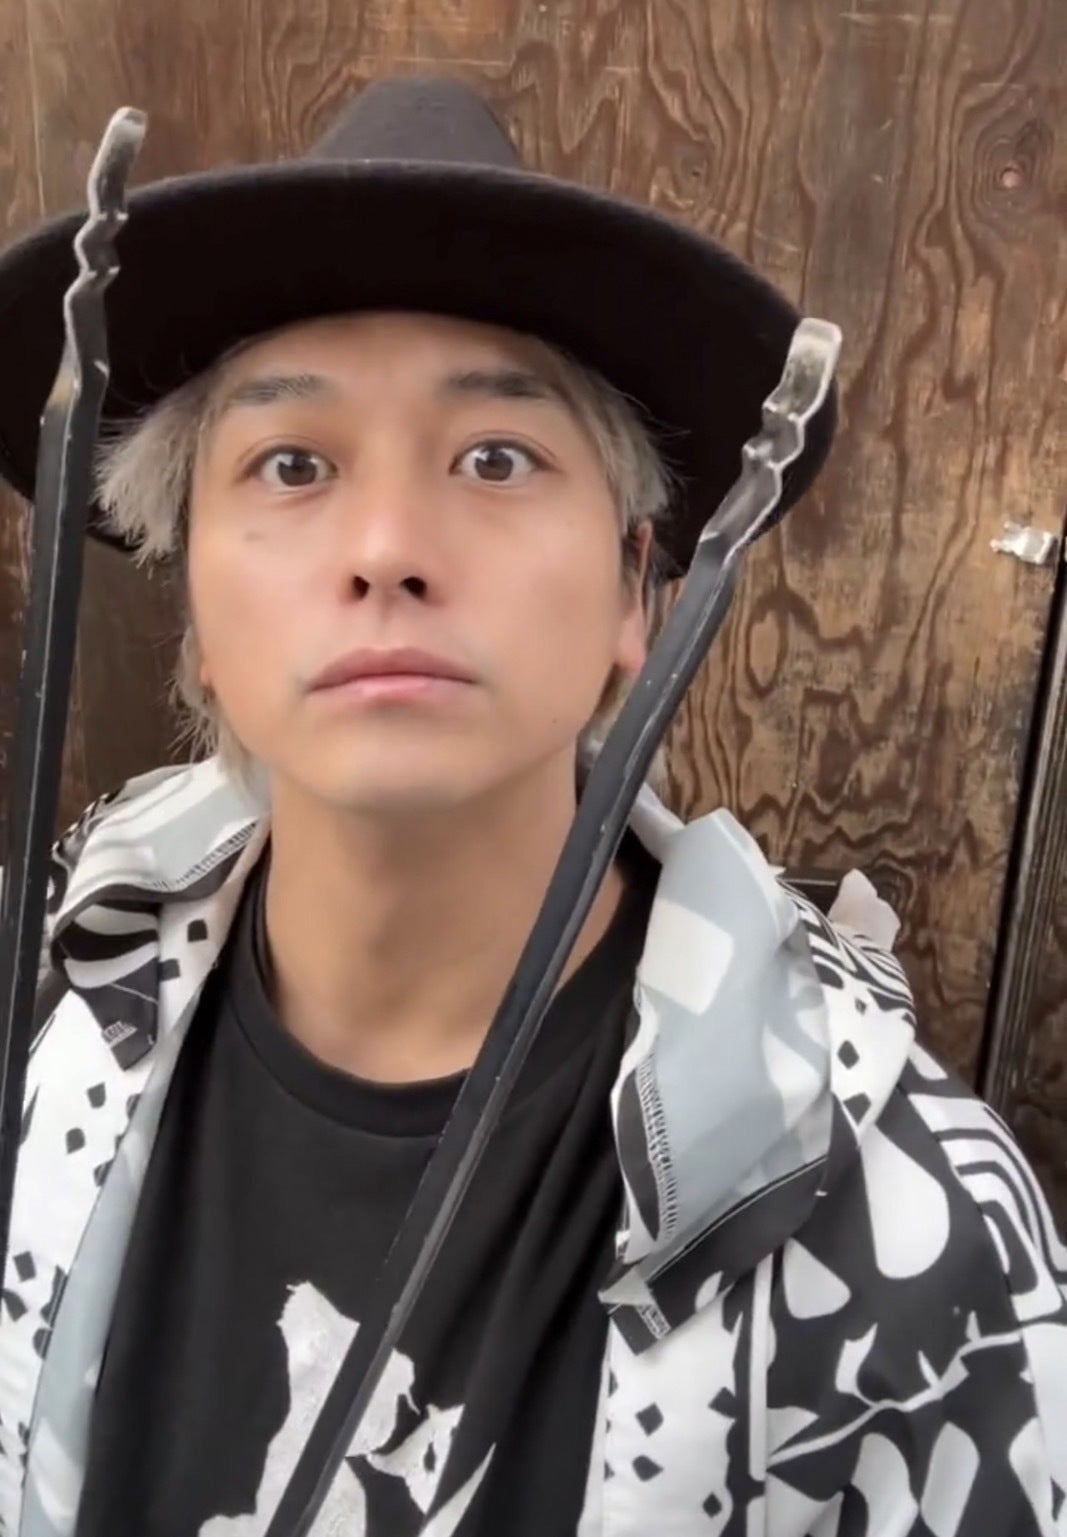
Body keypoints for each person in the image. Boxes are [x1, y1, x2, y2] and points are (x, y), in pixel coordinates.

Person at [0, 73, 1062, 1537]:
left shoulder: (899, 1237)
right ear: (194, 611)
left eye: (496, 459)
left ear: (640, 591)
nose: (386, 546)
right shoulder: (52, 1019)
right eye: (291, 464)